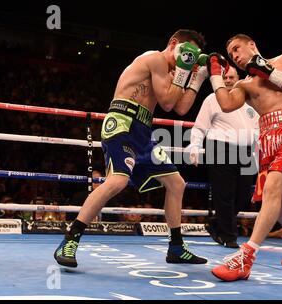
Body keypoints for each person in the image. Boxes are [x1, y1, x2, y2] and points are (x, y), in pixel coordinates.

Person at [54, 29, 209, 268]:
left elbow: (180, 108)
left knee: (176, 183)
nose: (186, 59)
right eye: (185, 52)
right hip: (122, 124)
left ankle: (176, 247)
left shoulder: (169, 72)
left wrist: (197, 78)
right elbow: (167, 103)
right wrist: (184, 71)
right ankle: (70, 239)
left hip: (143, 133)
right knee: (117, 181)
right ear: (174, 43)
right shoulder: (155, 58)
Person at [207, 34, 282, 281]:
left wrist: (266, 70)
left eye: (237, 49)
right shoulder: (244, 85)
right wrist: (215, 74)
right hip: (268, 138)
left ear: (252, 44)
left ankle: (246, 257)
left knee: (272, 188)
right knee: (280, 206)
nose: (235, 56)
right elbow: (227, 105)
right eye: (230, 55)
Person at [189, 66, 259, 248]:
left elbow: (258, 130)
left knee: (244, 195)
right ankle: (229, 236)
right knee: (224, 194)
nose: (227, 80)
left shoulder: (249, 101)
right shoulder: (213, 99)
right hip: (219, 148)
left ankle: (216, 224)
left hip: (246, 151)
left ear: (239, 79)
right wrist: (195, 145)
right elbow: (200, 125)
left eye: (231, 77)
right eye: (224, 77)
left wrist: (259, 156)